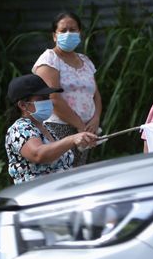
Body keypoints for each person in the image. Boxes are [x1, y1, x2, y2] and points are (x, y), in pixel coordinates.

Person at [32, 12, 102, 166]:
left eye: (73, 29)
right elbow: (53, 99)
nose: (68, 34)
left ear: (80, 33)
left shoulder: (85, 61)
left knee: (79, 175)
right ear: (54, 36)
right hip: (58, 128)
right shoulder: (49, 59)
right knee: (62, 175)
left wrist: (96, 119)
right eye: (63, 30)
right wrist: (80, 127)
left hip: (86, 130)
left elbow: (95, 95)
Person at [5, 74, 98, 184]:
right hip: (37, 196)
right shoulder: (19, 129)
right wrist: (71, 140)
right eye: (42, 98)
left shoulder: (46, 128)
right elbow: (38, 154)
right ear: (23, 105)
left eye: (48, 97)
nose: (48, 102)